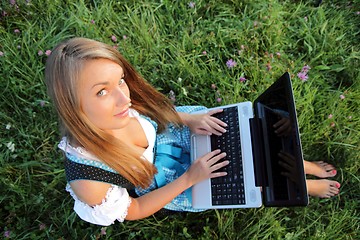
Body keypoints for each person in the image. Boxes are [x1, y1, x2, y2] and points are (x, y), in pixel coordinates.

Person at [45, 37, 340, 226]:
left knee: (246, 134)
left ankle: (298, 164)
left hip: (172, 137)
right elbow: (133, 209)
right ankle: (297, 185)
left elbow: (148, 111)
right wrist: (190, 177)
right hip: (170, 179)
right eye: (101, 92)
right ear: (72, 105)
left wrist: (187, 120)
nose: (125, 99)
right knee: (244, 177)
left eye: (120, 81)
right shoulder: (89, 179)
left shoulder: (121, 104)